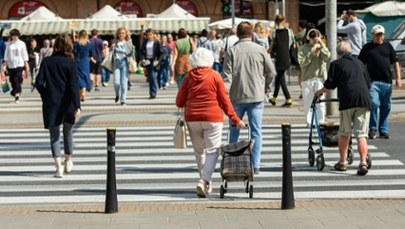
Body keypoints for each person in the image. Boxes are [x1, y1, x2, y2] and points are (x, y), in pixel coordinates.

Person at [176, 47, 246, 198]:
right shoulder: (215, 76)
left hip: (192, 118)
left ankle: (205, 181)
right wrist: (236, 119)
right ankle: (204, 180)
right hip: (213, 118)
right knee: (213, 151)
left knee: (199, 152)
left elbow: (179, 101)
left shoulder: (188, 77)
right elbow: (224, 101)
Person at [222, 21, 276, 174]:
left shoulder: (232, 51)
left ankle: (232, 160)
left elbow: (226, 77)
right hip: (256, 95)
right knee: (256, 130)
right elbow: (271, 71)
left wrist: (224, 95)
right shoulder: (260, 50)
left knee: (233, 129)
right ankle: (255, 164)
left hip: (236, 96)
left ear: (237, 34)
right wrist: (265, 86)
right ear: (251, 34)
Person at [315, 41, 372, 176]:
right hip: (364, 100)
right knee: (361, 134)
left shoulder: (336, 64)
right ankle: (363, 162)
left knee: (344, 132)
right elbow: (368, 83)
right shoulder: (360, 63)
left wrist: (318, 93)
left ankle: (342, 162)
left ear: (338, 53)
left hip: (347, 101)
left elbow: (330, 85)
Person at [35, 34, 81, 178]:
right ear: (69, 46)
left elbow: (38, 82)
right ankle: (68, 161)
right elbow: (74, 85)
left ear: (55, 46)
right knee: (67, 132)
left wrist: (45, 95)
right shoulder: (71, 62)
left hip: (52, 102)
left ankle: (58, 166)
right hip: (68, 102)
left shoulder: (47, 61)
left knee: (54, 134)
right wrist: (77, 105)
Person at [358, 25, 402, 139]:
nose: (379, 37)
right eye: (377, 34)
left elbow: (395, 62)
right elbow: (360, 64)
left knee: (386, 107)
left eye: (381, 34)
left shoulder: (388, 46)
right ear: (372, 35)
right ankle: (372, 128)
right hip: (372, 82)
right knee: (374, 104)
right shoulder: (367, 47)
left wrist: (398, 78)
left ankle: (383, 129)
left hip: (387, 82)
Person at [298, 28, 331, 127]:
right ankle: (309, 122)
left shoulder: (321, 46)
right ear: (309, 38)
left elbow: (327, 56)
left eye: (316, 39)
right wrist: (311, 55)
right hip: (307, 78)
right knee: (308, 102)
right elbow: (302, 63)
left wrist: (322, 44)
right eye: (313, 39)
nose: (314, 41)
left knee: (320, 102)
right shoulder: (303, 48)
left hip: (319, 78)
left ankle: (321, 121)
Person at [268, 14, 295, 107]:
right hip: (286, 56)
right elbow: (292, 44)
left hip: (278, 57)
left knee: (280, 79)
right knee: (279, 77)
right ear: (284, 21)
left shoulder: (274, 32)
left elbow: (271, 46)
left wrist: (266, 52)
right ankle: (274, 99)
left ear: (275, 22)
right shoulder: (290, 31)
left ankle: (288, 99)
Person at [3, 28, 29, 104]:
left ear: (18, 35)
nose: (14, 37)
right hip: (11, 65)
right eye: (13, 36)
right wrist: (5, 65)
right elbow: (6, 55)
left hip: (19, 64)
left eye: (15, 35)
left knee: (17, 80)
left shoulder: (22, 43)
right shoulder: (9, 44)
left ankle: (17, 97)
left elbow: (24, 54)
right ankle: (15, 91)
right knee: (12, 81)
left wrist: (26, 64)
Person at [112, 27, 133, 105]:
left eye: (123, 33)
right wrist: (111, 48)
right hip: (116, 63)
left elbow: (130, 53)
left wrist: (132, 50)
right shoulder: (114, 41)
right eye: (120, 33)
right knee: (116, 82)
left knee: (124, 83)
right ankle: (117, 94)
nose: (121, 34)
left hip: (125, 63)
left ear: (125, 34)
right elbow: (110, 53)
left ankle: (123, 99)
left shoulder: (128, 42)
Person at [140, 28, 162, 99]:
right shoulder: (145, 42)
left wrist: (158, 61)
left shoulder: (157, 42)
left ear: (153, 35)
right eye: (148, 35)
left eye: (151, 34)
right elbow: (142, 51)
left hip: (154, 61)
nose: (149, 36)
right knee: (150, 78)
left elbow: (161, 54)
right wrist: (143, 59)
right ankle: (151, 93)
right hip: (147, 61)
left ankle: (153, 93)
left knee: (153, 77)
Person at [73, 30, 92, 102]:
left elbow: (74, 51)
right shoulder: (89, 44)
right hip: (85, 62)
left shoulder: (76, 43)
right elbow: (91, 53)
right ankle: (83, 93)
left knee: (79, 77)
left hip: (77, 61)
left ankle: (79, 94)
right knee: (85, 76)